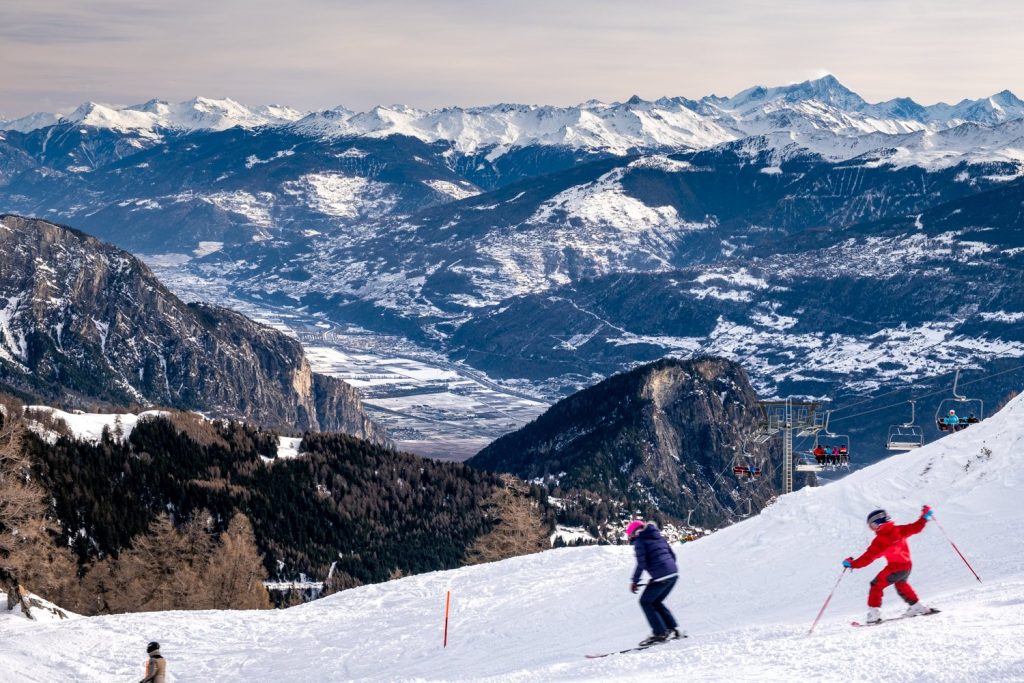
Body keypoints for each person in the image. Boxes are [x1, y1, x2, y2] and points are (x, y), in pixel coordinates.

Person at [842, 506, 935, 624]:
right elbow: (916, 527)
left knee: (876, 585)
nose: (872, 529)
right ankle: (917, 606)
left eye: (872, 526)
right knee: (901, 584)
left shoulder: (880, 540)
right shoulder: (899, 529)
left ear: (877, 524)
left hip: (895, 568)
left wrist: (852, 564)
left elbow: (867, 558)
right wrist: (924, 517)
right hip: (906, 566)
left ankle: (874, 614)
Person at [627, 520, 681, 646]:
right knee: (656, 601)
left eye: (630, 536)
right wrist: (663, 571)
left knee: (645, 602)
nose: (630, 539)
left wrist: (634, 581)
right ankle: (672, 629)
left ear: (635, 533)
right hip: (674, 574)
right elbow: (672, 556)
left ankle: (660, 633)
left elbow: (641, 564)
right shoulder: (658, 537)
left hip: (662, 576)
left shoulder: (640, 541)